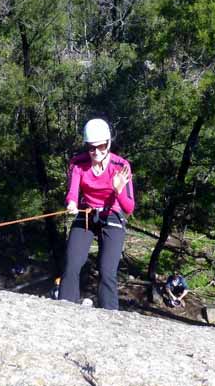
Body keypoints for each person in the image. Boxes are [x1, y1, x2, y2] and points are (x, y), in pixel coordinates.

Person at [59, 118, 135, 310]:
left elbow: (129, 207)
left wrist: (118, 190)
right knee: (71, 264)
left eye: (101, 147)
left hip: (112, 215)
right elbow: (72, 191)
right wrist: (72, 203)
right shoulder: (78, 163)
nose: (96, 152)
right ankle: (65, 308)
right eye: (91, 148)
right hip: (86, 213)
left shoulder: (120, 166)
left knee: (107, 271)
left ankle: (109, 317)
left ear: (108, 143)